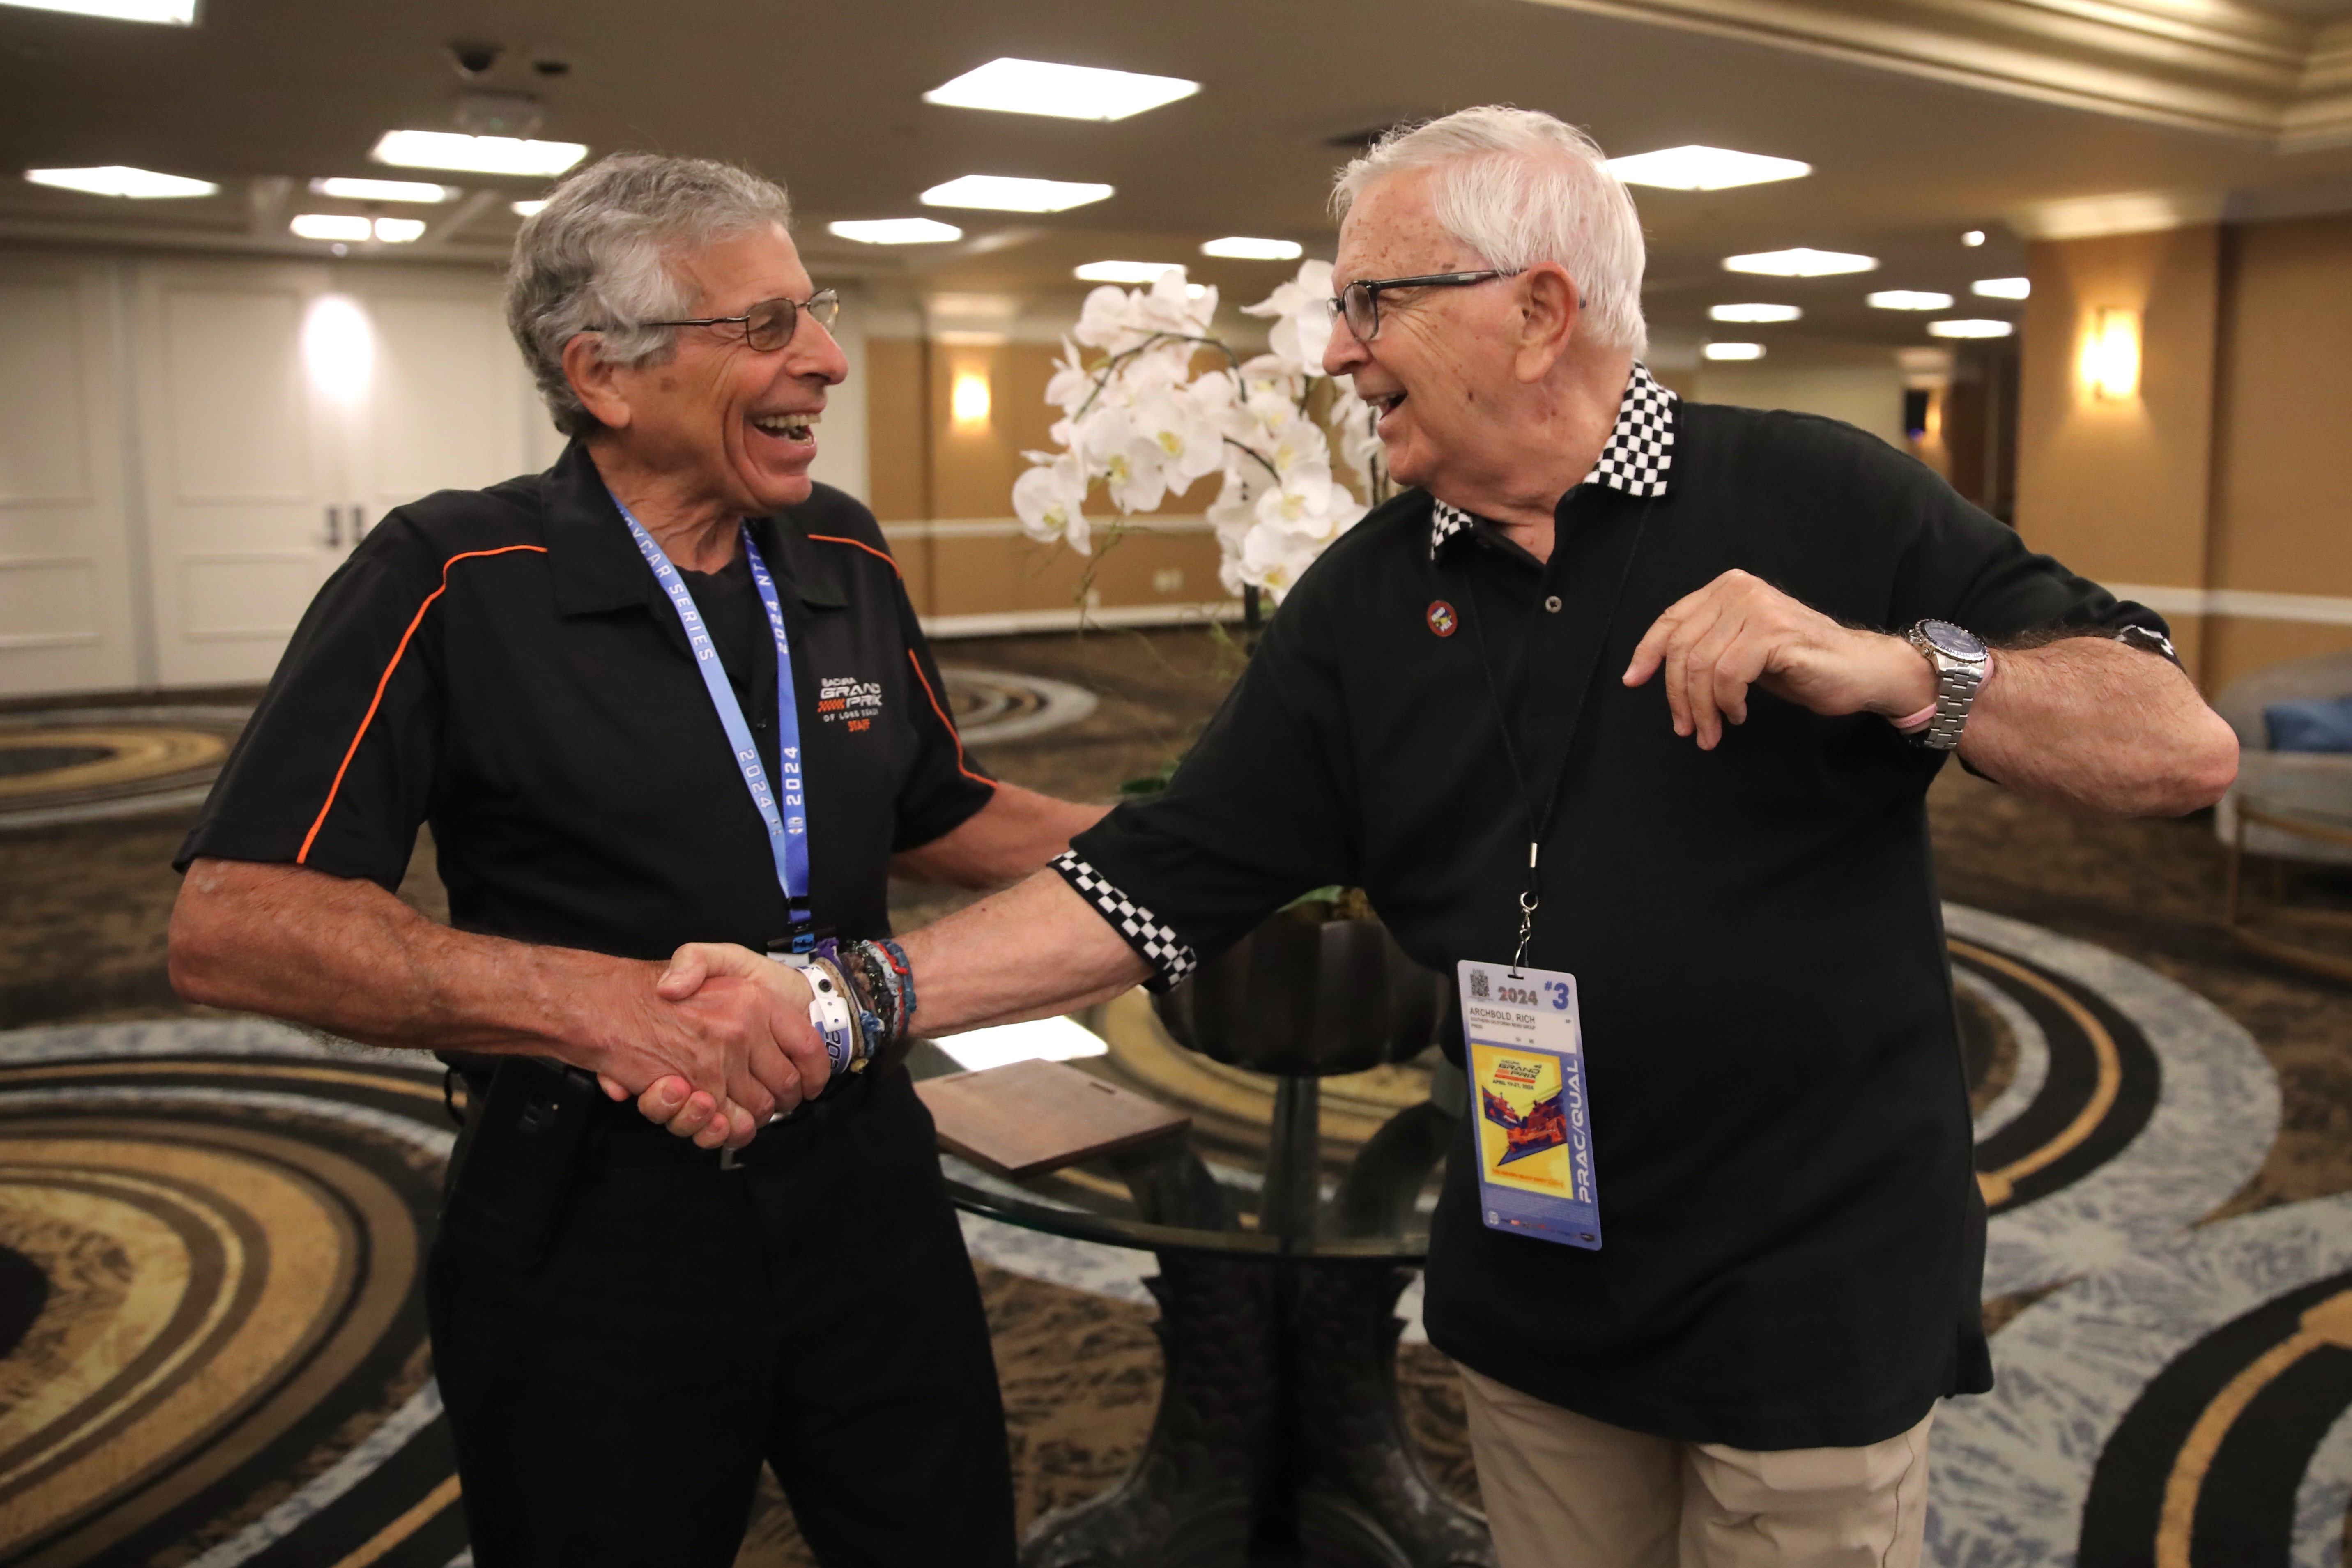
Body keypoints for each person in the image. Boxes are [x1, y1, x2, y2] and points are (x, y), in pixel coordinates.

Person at [645, 109, 2239, 1567]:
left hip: (1804, 1293)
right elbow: (1157, 879)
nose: (1336, 352)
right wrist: (840, 1002)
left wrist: (1904, 668)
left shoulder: (1820, 493)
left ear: (1537, 309)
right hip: (1533, 1276)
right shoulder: (1361, 596)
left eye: (1371, 304)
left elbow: (2176, 749)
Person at [166, 153, 1104, 1568]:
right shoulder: (450, 574)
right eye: (768, 325)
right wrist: (601, 1006)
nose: (830, 359)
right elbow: (234, 921)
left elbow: (932, 806)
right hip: (595, 1221)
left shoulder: (838, 546)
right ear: (602, 373)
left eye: (817, 309)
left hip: (866, 1176)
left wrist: (1199, 852)